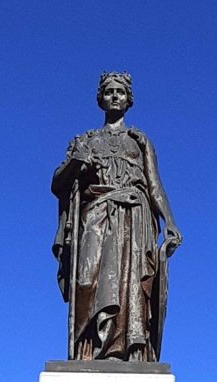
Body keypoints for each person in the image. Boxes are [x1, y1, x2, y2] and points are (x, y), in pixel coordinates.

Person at [52, 72, 182, 361]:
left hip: (134, 217)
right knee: (86, 280)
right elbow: (58, 183)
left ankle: (124, 350)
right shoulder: (85, 141)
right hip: (95, 214)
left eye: (120, 92)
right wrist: (76, 163)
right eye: (109, 91)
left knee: (130, 284)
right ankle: (87, 350)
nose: (114, 96)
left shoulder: (140, 141)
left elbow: (154, 186)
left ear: (128, 99)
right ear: (100, 98)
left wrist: (170, 222)